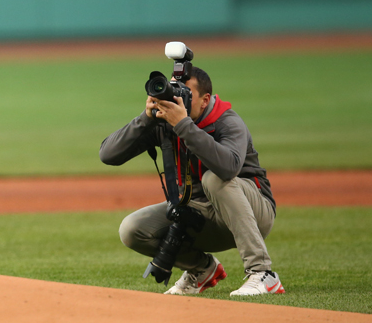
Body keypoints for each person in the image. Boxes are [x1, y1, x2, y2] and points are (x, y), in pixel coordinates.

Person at [99, 64, 284, 297]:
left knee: (214, 180)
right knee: (131, 229)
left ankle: (263, 273)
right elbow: (108, 155)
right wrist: (145, 119)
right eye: (173, 92)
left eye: (184, 95)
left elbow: (228, 169)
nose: (176, 100)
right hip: (199, 216)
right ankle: (201, 269)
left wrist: (183, 125)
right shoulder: (164, 123)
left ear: (205, 100)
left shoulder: (227, 122)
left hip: (254, 213)